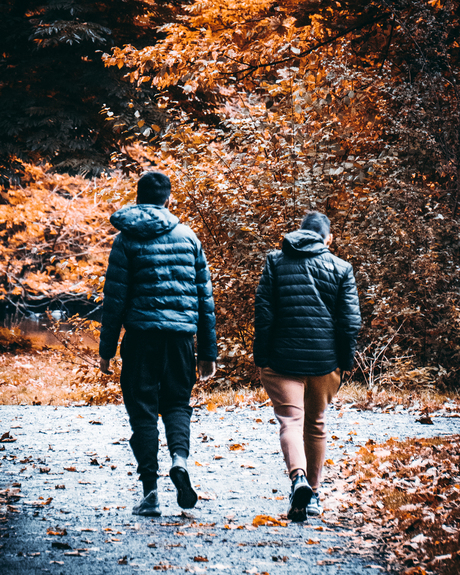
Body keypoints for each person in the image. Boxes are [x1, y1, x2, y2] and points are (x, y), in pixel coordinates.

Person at [99, 171, 217, 517]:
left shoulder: (125, 240)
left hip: (140, 339)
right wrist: (207, 352)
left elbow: (115, 300)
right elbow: (204, 300)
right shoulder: (189, 238)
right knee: (178, 404)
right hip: (181, 339)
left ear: (138, 198)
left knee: (143, 412)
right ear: (168, 199)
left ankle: (150, 491)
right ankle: (179, 460)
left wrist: (107, 350)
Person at [253, 211, 361, 522]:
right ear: (328, 238)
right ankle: (312, 495)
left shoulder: (275, 261)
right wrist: (345, 362)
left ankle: (297, 478)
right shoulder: (341, 268)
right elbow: (349, 323)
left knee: (290, 421)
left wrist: (262, 357)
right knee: (316, 425)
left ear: (299, 234)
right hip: (325, 362)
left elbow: (264, 314)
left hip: (282, 360)